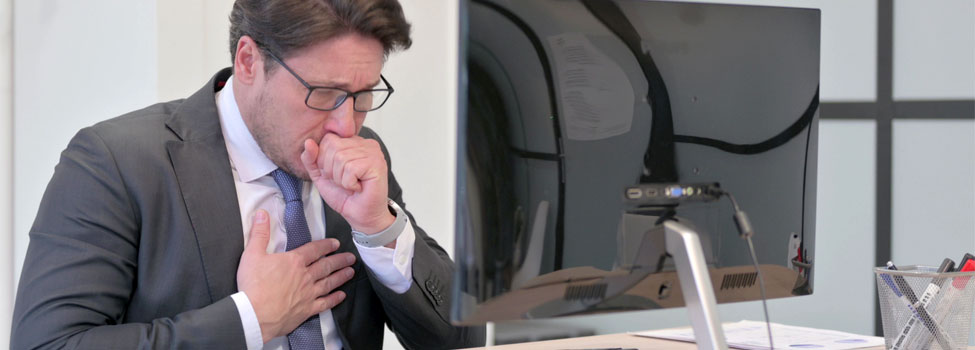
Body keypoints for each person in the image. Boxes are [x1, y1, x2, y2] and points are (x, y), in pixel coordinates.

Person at [11, 0, 484, 349]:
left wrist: (379, 227)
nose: (347, 124)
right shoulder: (115, 163)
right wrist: (252, 318)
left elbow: (463, 337)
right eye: (324, 93)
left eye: (363, 94)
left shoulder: (363, 158)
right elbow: (47, 344)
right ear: (248, 61)